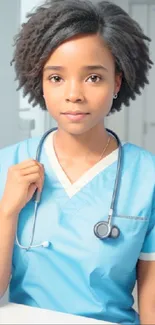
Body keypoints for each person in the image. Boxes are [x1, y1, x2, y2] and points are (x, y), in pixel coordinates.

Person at [0, 0, 155, 324]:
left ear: (116, 82)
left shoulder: (148, 177)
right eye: (56, 78)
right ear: (39, 82)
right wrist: (7, 212)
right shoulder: (8, 165)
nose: (74, 94)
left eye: (93, 78)